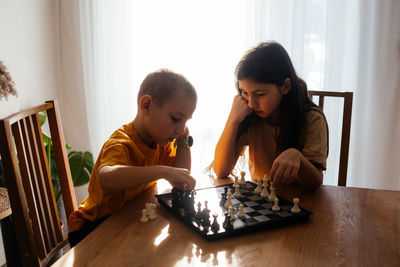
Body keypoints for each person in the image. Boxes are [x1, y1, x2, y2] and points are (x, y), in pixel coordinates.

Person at [68, 69, 197, 247]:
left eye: (186, 122)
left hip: (127, 217)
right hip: (93, 228)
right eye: (176, 119)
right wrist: (163, 171)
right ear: (146, 106)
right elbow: (106, 177)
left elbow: (180, 177)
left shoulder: (161, 143)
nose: (181, 129)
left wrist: (183, 143)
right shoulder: (122, 143)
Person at [213, 41, 328, 191]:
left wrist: (298, 158)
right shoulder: (252, 115)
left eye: (260, 94)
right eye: (245, 92)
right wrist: (232, 121)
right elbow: (221, 170)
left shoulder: (312, 119)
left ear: (286, 86)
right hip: (262, 202)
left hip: (300, 200)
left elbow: (315, 182)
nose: (251, 103)